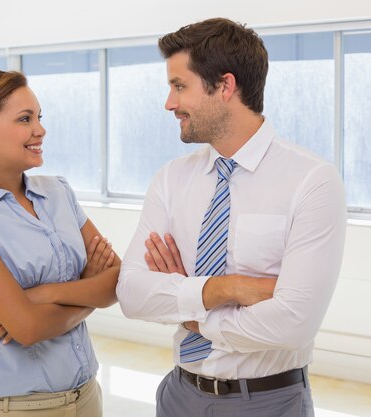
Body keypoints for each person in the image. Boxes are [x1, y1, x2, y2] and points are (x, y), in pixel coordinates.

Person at [116, 17, 347, 417]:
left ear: (225, 86)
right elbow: (132, 293)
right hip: (177, 396)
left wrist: (192, 312)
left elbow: (294, 323)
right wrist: (229, 289)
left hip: (269, 402)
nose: (169, 103)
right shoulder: (171, 179)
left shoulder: (312, 181)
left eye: (179, 86)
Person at [0, 68, 120, 417]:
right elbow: (27, 327)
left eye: (39, 116)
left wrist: (42, 295)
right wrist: (87, 286)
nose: (40, 129)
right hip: (16, 408)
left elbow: (116, 282)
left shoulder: (58, 192)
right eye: (25, 119)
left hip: (86, 396)